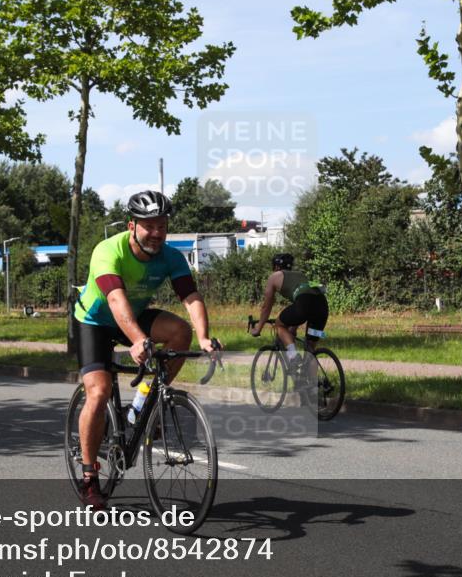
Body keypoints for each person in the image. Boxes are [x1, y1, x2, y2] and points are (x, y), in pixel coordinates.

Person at [73, 190, 218, 508]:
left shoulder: (171, 256)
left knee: (181, 332)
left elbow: (190, 297)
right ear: (131, 226)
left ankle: (141, 406)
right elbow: (114, 300)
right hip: (94, 321)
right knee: (98, 391)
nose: (156, 233)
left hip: (133, 317)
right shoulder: (108, 250)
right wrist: (138, 340)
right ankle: (89, 478)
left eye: (162, 226)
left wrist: (205, 336)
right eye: (149, 226)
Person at [250, 253, 328, 370]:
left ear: (276, 267)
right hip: (322, 305)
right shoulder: (301, 275)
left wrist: (258, 328)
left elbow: (266, 307)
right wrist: (293, 328)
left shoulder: (274, 276)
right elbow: (307, 300)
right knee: (310, 352)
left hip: (304, 302)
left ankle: (293, 356)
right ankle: (313, 385)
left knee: (279, 324)